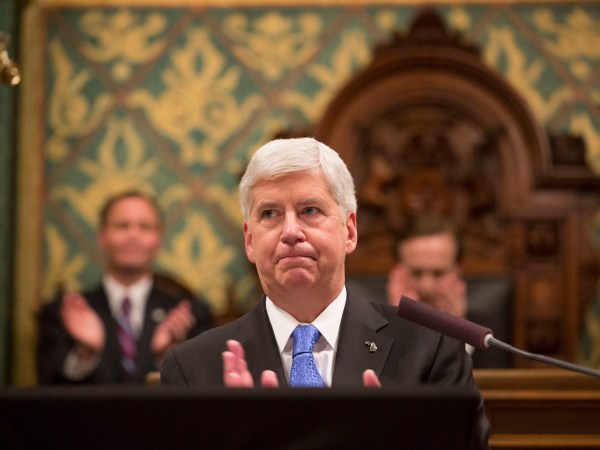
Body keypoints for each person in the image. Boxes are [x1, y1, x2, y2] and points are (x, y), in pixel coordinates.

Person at [160, 137, 489, 447]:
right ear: (249, 241)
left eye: (309, 211)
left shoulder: (431, 348)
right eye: (270, 214)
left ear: (349, 230)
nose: (290, 232)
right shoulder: (192, 369)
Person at [37, 190, 213, 384]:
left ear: (159, 239)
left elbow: (203, 391)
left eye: (144, 227)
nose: (133, 235)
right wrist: (85, 353)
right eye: (122, 226)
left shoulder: (191, 315)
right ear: (102, 236)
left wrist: (167, 356)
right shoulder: (63, 314)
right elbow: (48, 387)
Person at [387, 215, 511, 368]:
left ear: (458, 271)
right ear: (396, 271)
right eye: (416, 273)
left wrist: (457, 334)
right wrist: (398, 328)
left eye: (439, 273)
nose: (427, 287)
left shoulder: (487, 334)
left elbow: (491, 388)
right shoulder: (369, 327)